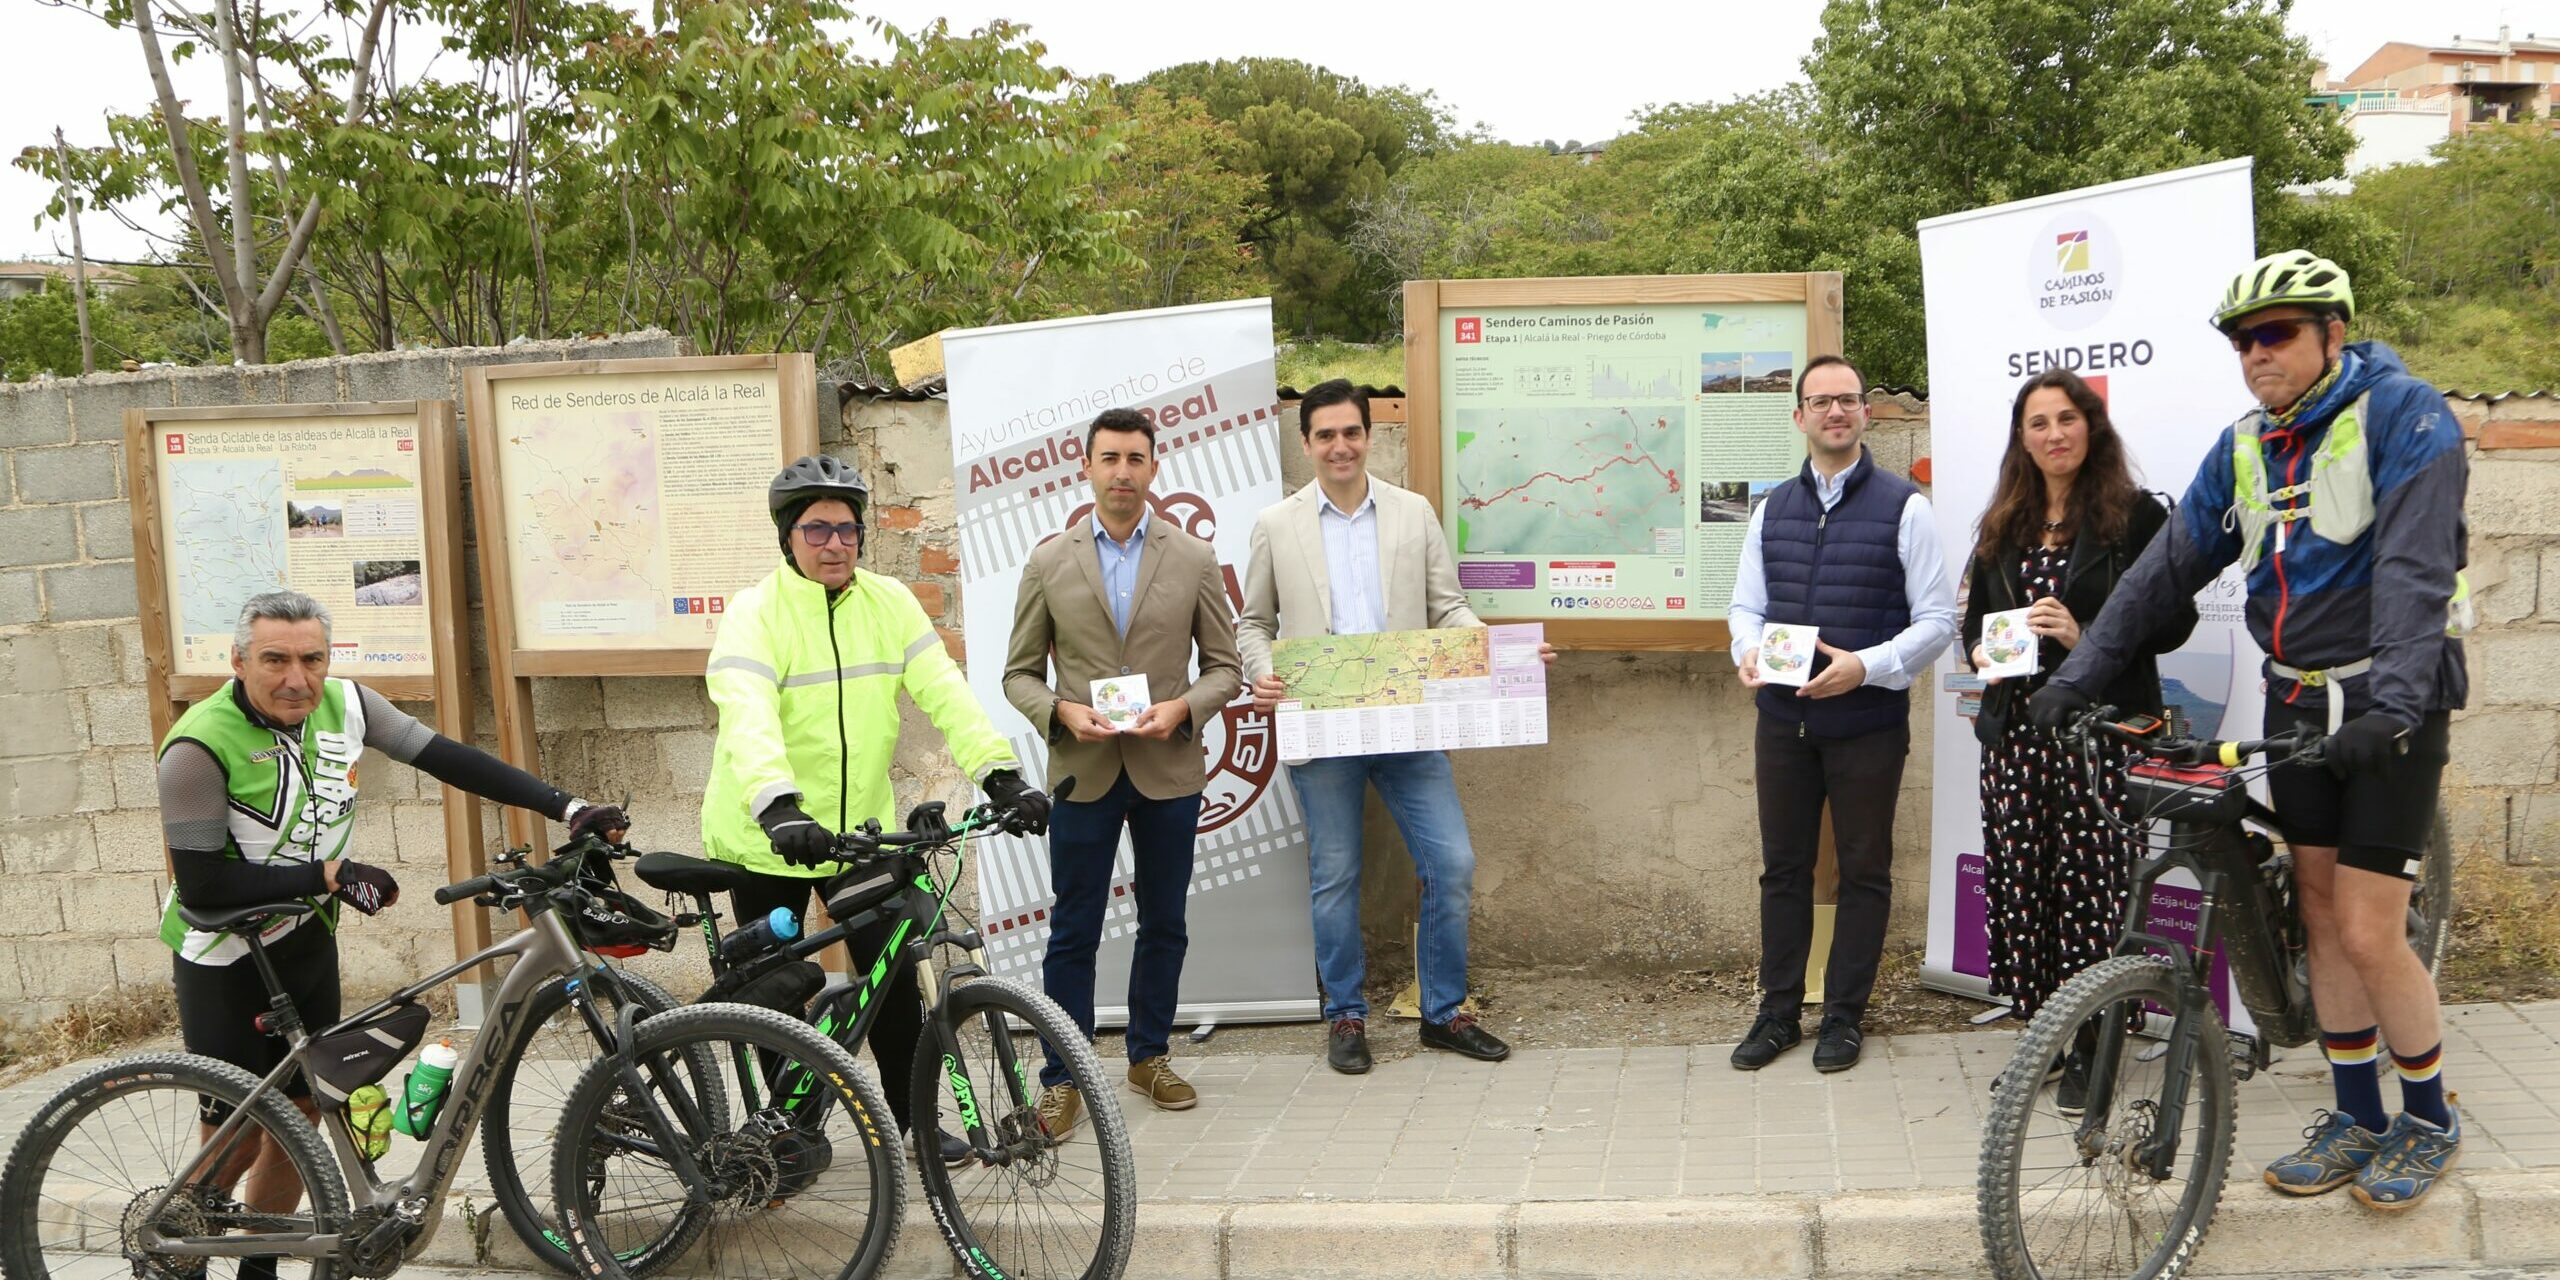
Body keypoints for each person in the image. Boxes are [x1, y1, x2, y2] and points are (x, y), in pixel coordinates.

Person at [2032, 250, 2469, 1210]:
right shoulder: (2245, 445)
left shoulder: (2405, 416)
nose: (2256, 353)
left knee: (2368, 929)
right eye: (2242, 341)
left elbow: (2415, 574)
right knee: (2319, 916)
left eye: (2276, 334)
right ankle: (2358, 1115)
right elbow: (2162, 572)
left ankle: (2430, 1118)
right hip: (2294, 700)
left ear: (2333, 334)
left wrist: (2394, 706)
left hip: (2387, 706)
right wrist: (2079, 675)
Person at [161, 590, 627, 1272]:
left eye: (312, 659)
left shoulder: (347, 704)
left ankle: (260, 1270)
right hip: (225, 955)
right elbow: (202, 885)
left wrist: (568, 806)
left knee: (304, 1116)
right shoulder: (198, 746)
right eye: (275, 660)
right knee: (235, 1130)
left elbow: (448, 758)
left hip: (305, 940)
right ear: (238, 662)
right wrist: (327, 874)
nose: (297, 678)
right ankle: (177, 1256)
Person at [702, 454, 1051, 1164]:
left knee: (894, 984)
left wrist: (1000, 776)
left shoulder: (889, 602)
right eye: (817, 530)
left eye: (848, 530)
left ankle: (912, 1122)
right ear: (787, 538)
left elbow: (945, 691)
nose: (835, 544)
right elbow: (747, 715)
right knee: (776, 994)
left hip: (858, 835)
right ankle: (788, 1133)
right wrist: (778, 805)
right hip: (767, 836)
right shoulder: (754, 613)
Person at [1238, 378, 1556, 1074]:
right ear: (1306, 444)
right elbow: (1253, 623)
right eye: (1326, 435)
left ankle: (1442, 1013)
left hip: (1409, 723)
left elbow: (1448, 608)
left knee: (1452, 863)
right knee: (1335, 876)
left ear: (1370, 435)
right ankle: (1346, 1015)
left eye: (1351, 432)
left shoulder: (1413, 513)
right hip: (1322, 728)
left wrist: (1499, 652)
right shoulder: (1276, 525)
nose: (1341, 446)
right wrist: (1260, 671)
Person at [1959, 369, 2194, 1108]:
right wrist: (1983, 649)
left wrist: (2085, 633)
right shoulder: (2005, 522)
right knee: (2022, 887)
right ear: (2022, 438)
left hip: (2101, 734)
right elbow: (1975, 622)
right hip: (2017, 737)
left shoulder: (2136, 517)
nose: (2054, 434)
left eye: (2066, 418)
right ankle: (2045, 1038)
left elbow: (2176, 621)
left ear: (2091, 426)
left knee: (2093, 890)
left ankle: (2100, 1043)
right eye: (2039, 422)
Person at [1004, 407, 1242, 1130]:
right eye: (1109, 458)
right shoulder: (1049, 562)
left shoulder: (1193, 558)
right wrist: (1060, 712)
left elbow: (1225, 667)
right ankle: (1063, 1075)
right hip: (1084, 770)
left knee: (1164, 922)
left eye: (1135, 458)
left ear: (1154, 467)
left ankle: (1149, 1057)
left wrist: (1183, 708)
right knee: (1072, 929)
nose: (1122, 472)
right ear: (1086, 467)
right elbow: (1018, 674)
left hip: (1168, 769)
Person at [1729, 354, 1959, 1074]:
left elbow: (1937, 621)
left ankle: (1844, 1016)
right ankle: (1777, 1013)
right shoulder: (1771, 509)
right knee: (1783, 870)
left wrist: (1867, 666)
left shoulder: (1906, 507)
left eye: (1848, 400)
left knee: (1863, 870)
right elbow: (1745, 605)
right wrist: (1746, 649)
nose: (1836, 411)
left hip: (1867, 725)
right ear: (1799, 415)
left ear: (1865, 412)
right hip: (1783, 721)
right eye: (1821, 401)